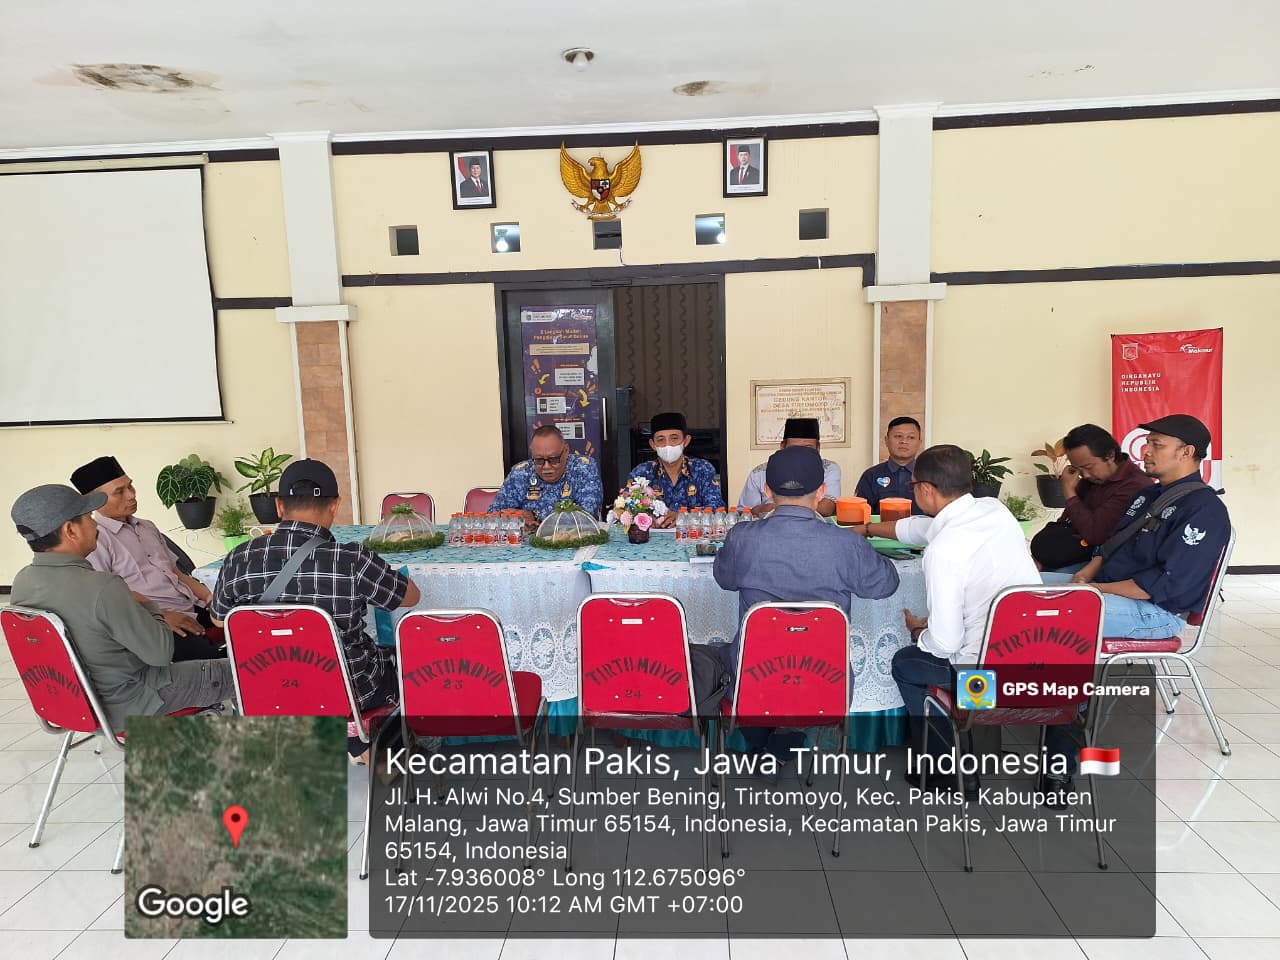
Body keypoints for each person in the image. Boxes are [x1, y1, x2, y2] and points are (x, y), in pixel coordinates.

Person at [1039, 414, 1231, 802]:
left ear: (1187, 452)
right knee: (1014, 591)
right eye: (1148, 443)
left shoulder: (1204, 511)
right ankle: (1022, 703)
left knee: (1059, 621)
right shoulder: (1148, 495)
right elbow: (1109, 546)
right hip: (1110, 588)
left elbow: (1163, 586)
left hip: (1154, 613)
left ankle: (1061, 759)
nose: (1146, 450)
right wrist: (1088, 572)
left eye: (1157, 444)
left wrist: (1094, 589)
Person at [857, 444, 1038, 798]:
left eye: (912, 486)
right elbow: (922, 528)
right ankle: (980, 747)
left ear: (926, 489)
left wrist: (918, 631)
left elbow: (945, 643)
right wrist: (868, 529)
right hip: (1036, 659)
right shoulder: (994, 511)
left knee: (906, 662)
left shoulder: (943, 552)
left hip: (984, 678)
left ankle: (944, 769)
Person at [209, 459, 420, 761]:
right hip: (348, 694)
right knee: (399, 660)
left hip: (266, 691)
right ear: (334, 505)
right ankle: (377, 752)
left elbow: (220, 620)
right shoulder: (351, 559)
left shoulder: (239, 557)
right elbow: (410, 597)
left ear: (279, 506)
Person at [714, 446, 899, 777]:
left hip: (754, 674)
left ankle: (768, 742)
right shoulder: (845, 543)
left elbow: (725, 580)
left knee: (718, 654)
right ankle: (784, 742)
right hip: (825, 676)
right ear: (822, 491)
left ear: (767, 490)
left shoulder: (742, 537)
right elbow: (885, 585)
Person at [9, 484, 235, 733]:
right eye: (88, 517)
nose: (95, 524)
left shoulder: (22, 582)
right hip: (133, 701)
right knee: (248, 671)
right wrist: (147, 603)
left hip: (75, 703)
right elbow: (160, 654)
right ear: (70, 530)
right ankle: (251, 748)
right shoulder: (102, 587)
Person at [70, 456, 222, 661]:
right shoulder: (96, 540)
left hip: (189, 604)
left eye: (130, 486)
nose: (131, 495)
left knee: (246, 625)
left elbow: (176, 573)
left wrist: (210, 597)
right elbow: (109, 599)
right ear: (94, 501)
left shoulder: (147, 527)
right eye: (119, 492)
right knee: (208, 659)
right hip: (153, 620)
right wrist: (160, 617)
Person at [1030, 424, 1150, 572]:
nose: (1084, 475)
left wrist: (1068, 491)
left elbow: (1095, 535)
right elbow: (1066, 521)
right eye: (1077, 469)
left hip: (1101, 562)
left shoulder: (1135, 485)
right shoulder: (1092, 480)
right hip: (1070, 553)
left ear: (1110, 455)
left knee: (1042, 581)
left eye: (1088, 467)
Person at [489, 425, 603, 529]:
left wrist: (535, 516)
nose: (546, 466)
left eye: (553, 459)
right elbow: (493, 514)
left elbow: (587, 515)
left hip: (573, 540)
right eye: (539, 460)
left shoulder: (583, 468)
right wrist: (519, 518)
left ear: (566, 450)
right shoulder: (520, 473)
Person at [629, 411, 724, 525]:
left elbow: (717, 508)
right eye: (661, 440)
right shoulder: (641, 473)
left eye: (674, 438)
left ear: (686, 441)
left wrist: (684, 516)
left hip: (692, 534)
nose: (668, 445)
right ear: (653, 444)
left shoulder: (703, 469)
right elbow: (626, 508)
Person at [737, 417, 841, 518]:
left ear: (818, 448)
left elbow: (826, 508)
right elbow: (745, 513)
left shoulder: (828, 469)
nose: (801, 454)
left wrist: (767, 508)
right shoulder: (759, 473)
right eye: (794, 448)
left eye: (808, 448)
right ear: (782, 447)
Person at [854, 416, 924, 514]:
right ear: (886, 440)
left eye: (911, 437)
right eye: (898, 436)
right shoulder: (871, 475)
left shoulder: (930, 475)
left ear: (919, 443)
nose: (904, 441)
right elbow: (860, 512)